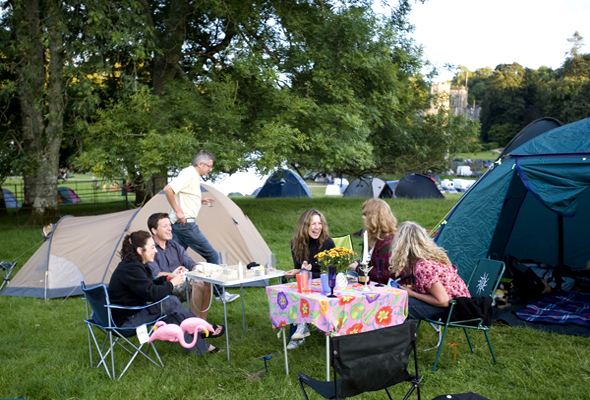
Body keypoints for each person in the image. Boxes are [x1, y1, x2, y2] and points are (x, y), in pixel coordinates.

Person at [108, 231, 222, 355]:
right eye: (151, 247)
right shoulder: (132, 269)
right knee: (170, 302)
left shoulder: (131, 266)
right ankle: (201, 328)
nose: (155, 251)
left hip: (127, 314)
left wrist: (167, 278)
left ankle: (204, 348)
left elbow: (148, 285)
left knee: (171, 315)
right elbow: (152, 294)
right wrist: (172, 283)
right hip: (126, 321)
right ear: (140, 250)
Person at [163, 150, 239, 304]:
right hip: (186, 225)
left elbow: (184, 195)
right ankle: (220, 294)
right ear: (200, 164)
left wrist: (200, 201)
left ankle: (168, 291)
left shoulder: (191, 175)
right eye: (209, 166)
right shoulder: (189, 174)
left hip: (180, 225)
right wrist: (178, 211)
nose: (210, 169)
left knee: (176, 258)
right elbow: (168, 189)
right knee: (212, 255)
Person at [147, 213, 222, 329]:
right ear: (154, 230)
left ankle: (202, 324)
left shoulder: (175, 245)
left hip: (183, 280)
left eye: (169, 225)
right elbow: (156, 274)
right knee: (197, 283)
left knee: (206, 281)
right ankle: (194, 328)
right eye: (165, 226)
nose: (170, 229)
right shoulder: (150, 248)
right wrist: (173, 275)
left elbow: (190, 264)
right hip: (165, 286)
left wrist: (201, 270)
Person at [388, 221, 471, 321]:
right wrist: (414, 290)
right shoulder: (424, 259)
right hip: (455, 304)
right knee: (400, 301)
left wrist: (413, 294)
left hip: (456, 308)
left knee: (398, 305)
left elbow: (443, 301)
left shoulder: (423, 266)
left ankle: (397, 335)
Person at [286, 209, 335, 350]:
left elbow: (329, 271)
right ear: (305, 225)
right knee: (294, 287)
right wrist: (298, 271)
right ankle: (297, 332)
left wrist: (306, 271)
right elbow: (298, 268)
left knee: (304, 281)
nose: (317, 227)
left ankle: (301, 327)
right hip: (305, 280)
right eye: (313, 224)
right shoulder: (296, 243)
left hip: (323, 282)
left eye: (320, 223)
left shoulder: (327, 243)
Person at [349, 199, 411, 285]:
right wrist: (357, 263)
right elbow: (372, 264)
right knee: (346, 277)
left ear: (374, 218)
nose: (362, 218)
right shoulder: (377, 238)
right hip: (374, 281)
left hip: (392, 287)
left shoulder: (389, 243)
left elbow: (387, 274)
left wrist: (358, 268)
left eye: (365, 215)